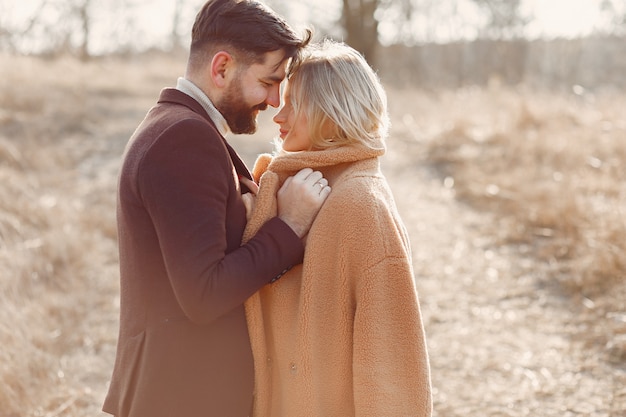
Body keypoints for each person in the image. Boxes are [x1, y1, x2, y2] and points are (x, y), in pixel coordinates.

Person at [102, 1, 331, 416]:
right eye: (269, 81)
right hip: (185, 396)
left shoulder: (174, 125)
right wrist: (288, 224)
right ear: (222, 67)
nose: (275, 100)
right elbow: (204, 294)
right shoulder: (184, 138)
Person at [242, 40, 432, 417]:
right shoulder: (293, 188)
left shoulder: (361, 203)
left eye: (294, 102)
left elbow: (392, 365)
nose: (278, 114)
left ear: (331, 112)